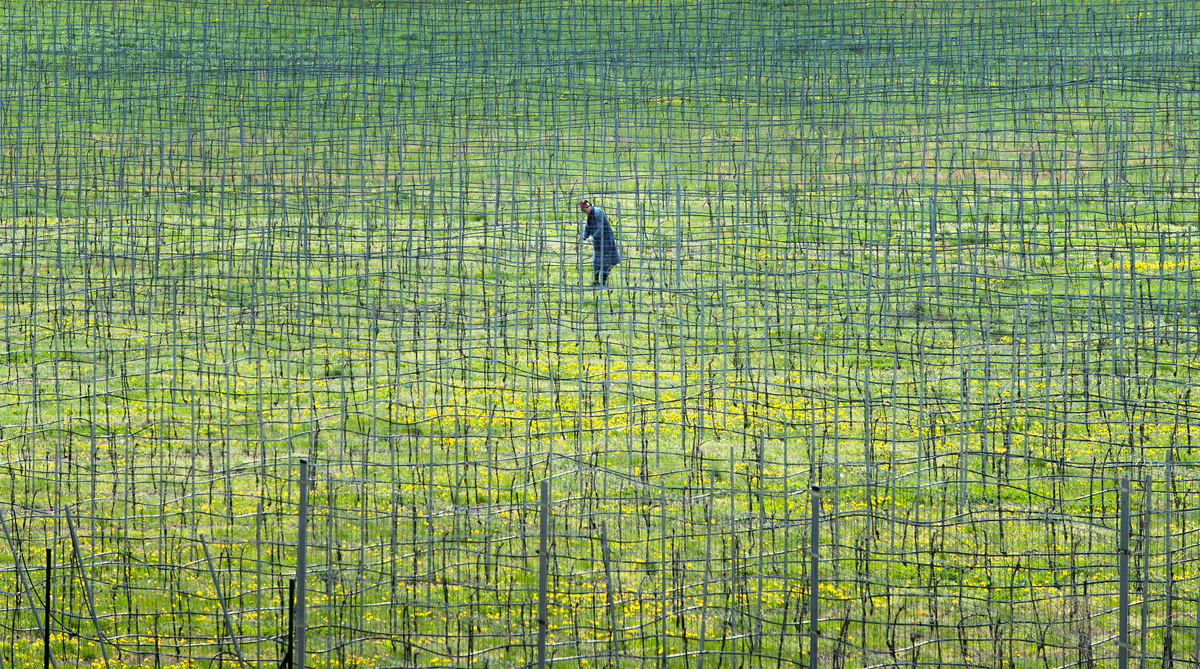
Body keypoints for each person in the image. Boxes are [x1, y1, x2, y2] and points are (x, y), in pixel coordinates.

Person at [578, 199, 620, 287]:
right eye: (583, 211)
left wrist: (593, 237)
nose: (585, 212)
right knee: (596, 261)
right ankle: (596, 281)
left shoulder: (598, 213)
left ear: (588, 207)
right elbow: (587, 227)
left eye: (585, 210)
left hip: (606, 241)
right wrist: (583, 236)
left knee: (605, 261)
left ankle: (603, 283)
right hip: (597, 242)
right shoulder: (590, 215)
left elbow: (601, 228)